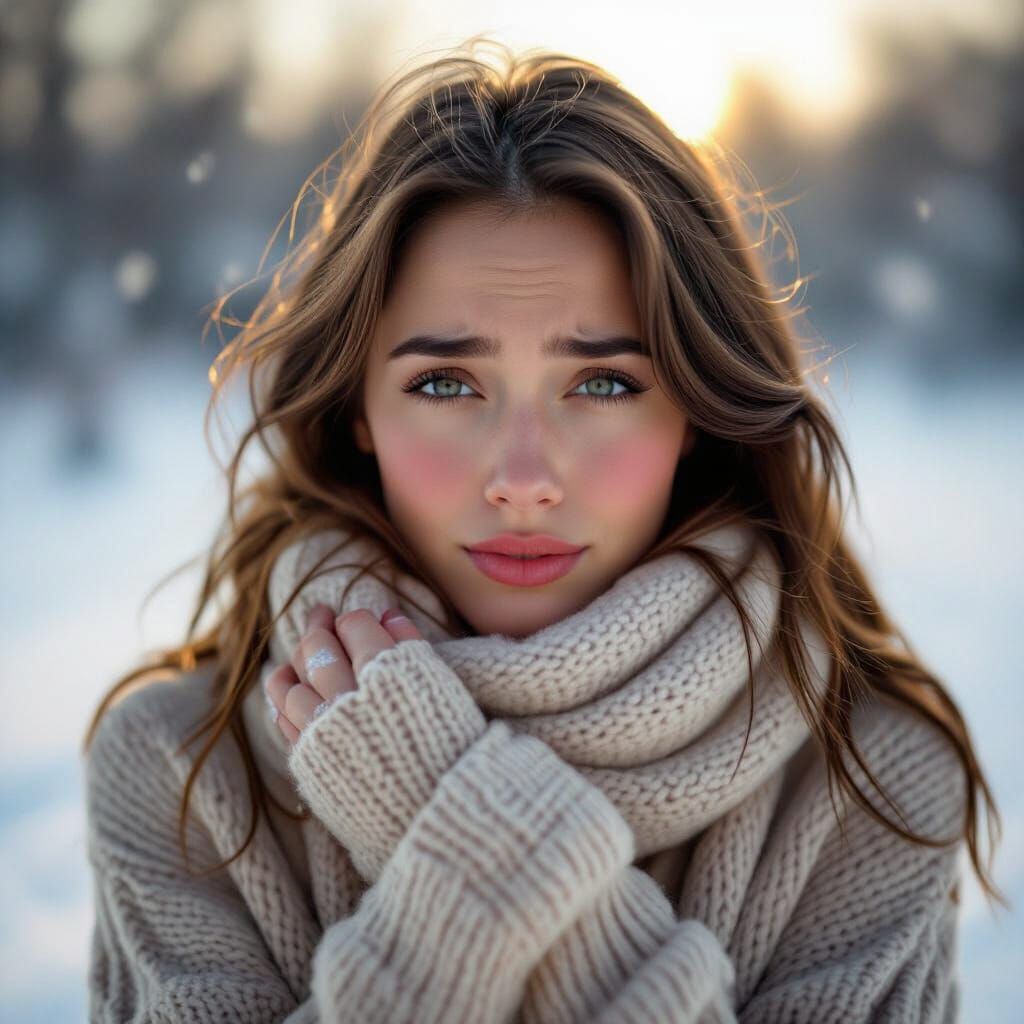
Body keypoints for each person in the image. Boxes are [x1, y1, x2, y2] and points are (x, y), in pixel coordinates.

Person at [81, 38, 1006, 1022]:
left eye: (602, 383)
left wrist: (438, 810)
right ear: (357, 408)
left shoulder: (874, 779)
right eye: (445, 383)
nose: (523, 480)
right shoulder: (183, 771)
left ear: (693, 408)